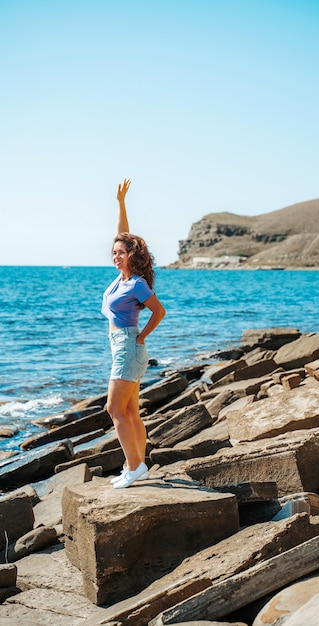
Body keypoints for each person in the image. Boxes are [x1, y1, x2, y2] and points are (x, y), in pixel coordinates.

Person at [101, 179, 166, 488]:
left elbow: (159, 311)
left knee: (114, 408)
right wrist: (121, 203)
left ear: (132, 255)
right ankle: (139, 466)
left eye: (120, 253)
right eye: (113, 252)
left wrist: (141, 338)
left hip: (128, 345)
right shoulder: (122, 279)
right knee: (130, 411)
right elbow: (123, 235)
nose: (116, 256)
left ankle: (134, 466)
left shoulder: (137, 283)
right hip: (124, 346)